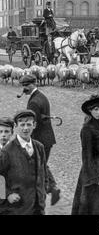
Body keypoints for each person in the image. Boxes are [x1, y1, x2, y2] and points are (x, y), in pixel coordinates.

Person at [19, 74, 60, 206]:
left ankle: (48, 190)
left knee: (38, 164)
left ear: (32, 85)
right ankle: (49, 189)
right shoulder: (41, 96)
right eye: (23, 86)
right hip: (47, 138)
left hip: (40, 139)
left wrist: (26, 139)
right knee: (40, 163)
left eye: (26, 86)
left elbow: (32, 123)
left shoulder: (33, 102)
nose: (24, 88)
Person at [0, 110, 48, 215]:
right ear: (16, 126)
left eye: (28, 124)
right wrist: (8, 194)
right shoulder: (7, 151)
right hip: (17, 207)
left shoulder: (39, 147)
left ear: (34, 125)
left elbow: (44, 171)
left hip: (38, 206)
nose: (25, 128)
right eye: (22, 125)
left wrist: (44, 190)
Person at [0, 118, 14, 214]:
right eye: (0, 131)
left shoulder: (17, 150)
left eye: (6, 131)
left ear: (12, 133)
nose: (3, 135)